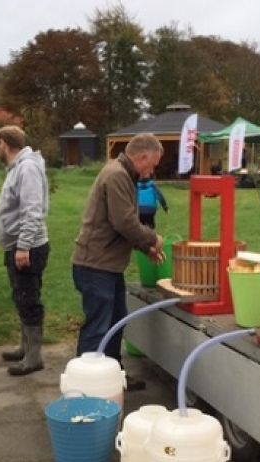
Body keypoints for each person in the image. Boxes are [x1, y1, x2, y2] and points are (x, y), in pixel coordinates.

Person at [71, 133, 165, 390]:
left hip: (106, 266)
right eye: (153, 163)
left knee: (115, 321)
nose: (152, 170)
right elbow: (124, 222)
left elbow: (120, 225)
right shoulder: (117, 176)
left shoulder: (123, 174)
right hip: (94, 266)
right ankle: (87, 387)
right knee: (98, 327)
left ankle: (112, 378)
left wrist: (144, 248)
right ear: (142, 156)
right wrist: (152, 239)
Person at [0, 125, 50, 376]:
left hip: (26, 247)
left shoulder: (27, 168)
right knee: (21, 296)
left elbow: (32, 209)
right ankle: (25, 347)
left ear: (3, 143)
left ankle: (33, 357)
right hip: (16, 245)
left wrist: (24, 245)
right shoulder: (19, 167)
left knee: (29, 298)